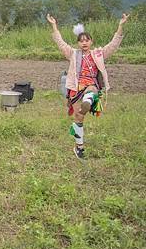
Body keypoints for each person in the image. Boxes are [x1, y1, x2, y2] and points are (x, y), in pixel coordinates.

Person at [47, 13, 128, 159]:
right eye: (81, 41)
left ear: (91, 42)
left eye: (87, 40)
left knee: (91, 90)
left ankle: (88, 101)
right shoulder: (72, 53)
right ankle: (79, 147)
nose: (84, 43)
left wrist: (120, 25)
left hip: (91, 84)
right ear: (78, 43)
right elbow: (60, 42)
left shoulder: (99, 53)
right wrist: (54, 25)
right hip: (76, 88)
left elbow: (113, 44)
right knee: (78, 117)